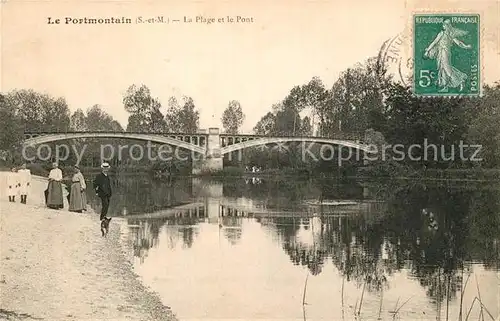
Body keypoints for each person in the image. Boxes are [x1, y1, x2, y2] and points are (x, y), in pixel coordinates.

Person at [424, 19, 472, 92]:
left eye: (445, 25)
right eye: (444, 25)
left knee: (447, 68)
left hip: (444, 52)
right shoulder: (448, 34)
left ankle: (460, 81)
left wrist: (427, 51)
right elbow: (458, 43)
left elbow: (434, 42)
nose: (443, 26)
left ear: (447, 26)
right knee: (442, 68)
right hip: (443, 53)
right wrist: (466, 46)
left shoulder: (444, 34)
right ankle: (445, 87)